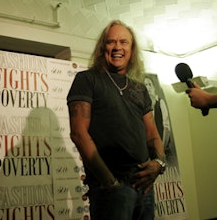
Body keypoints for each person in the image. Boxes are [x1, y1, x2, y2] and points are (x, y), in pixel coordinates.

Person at [67, 20, 165, 219]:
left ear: (132, 49)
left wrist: (159, 164)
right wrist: (109, 182)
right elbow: (78, 133)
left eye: (124, 42)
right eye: (111, 42)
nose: (117, 47)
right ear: (103, 47)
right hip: (111, 188)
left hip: (144, 185)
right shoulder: (87, 80)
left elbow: (152, 133)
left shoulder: (140, 88)